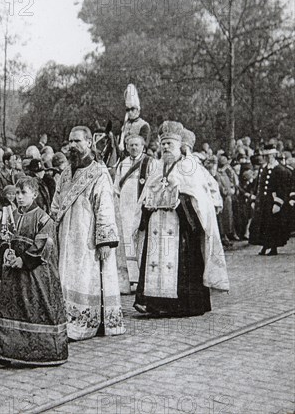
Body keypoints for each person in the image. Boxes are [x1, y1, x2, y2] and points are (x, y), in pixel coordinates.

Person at [133, 121, 229, 317]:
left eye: (169, 144)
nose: (165, 147)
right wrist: (147, 206)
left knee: (182, 264)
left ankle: (182, 304)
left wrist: (180, 201)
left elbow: (199, 199)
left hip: (180, 227)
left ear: (180, 146)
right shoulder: (157, 168)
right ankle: (153, 303)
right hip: (156, 227)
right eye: (163, 144)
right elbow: (145, 196)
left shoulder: (189, 167)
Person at [0, 177, 67, 366]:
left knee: (33, 311)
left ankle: (39, 353)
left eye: (23, 193)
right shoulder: (11, 215)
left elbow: (44, 245)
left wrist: (23, 260)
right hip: (14, 273)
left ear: (34, 195)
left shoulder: (43, 218)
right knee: (10, 310)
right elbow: (3, 237)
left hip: (33, 274)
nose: (19, 197)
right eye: (17, 193)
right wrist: (5, 251)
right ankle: (1, 349)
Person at [51, 126, 125, 340]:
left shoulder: (99, 173)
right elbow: (56, 203)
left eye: (77, 141)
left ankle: (84, 324)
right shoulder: (66, 172)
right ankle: (65, 322)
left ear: (89, 143)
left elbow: (105, 208)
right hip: (65, 235)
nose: (72, 145)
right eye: (70, 141)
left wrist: (104, 242)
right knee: (66, 275)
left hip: (87, 237)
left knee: (85, 277)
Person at [114, 134, 156, 288]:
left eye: (136, 145)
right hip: (125, 209)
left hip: (141, 208)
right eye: (130, 145)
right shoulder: (122, 164)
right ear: (126, 147)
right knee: (126, 239)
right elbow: (116, 189)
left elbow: (154, 185)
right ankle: (130, 277)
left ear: (142, 147)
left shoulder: (150, 163)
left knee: (140, 239)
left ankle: (141, 278)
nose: (133, 147)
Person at [249, 144, 292, 255]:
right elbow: (258, 185)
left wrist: (278, 202)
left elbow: (282, 188)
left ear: (274, 155)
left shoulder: (280, 170)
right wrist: (254, 199)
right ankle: (264, 246)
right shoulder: (263, 168)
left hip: (272, 201)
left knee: (273, 225)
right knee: (263, 224)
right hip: (263, 201)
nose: (267, 158)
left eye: (269, 155)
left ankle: (273, 247)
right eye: (265, 156)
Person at [118, 84, 152, 153]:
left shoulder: (143, 125)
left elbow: (143, 144)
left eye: (132, 109)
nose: (130, 112)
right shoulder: (124, 126)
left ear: (138, 110)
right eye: (128, 110)